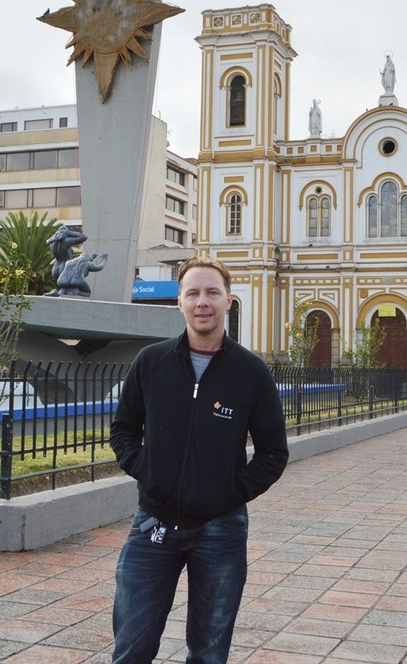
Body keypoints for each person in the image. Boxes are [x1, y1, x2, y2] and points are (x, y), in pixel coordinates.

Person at [109, 256, 289, 664]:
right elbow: (123, 429)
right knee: (131, 648)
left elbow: (273, 452)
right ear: (180, 302)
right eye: (193, 293)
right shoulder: (151, 363)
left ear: (228, 300)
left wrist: (228, 492)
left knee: (209, 652)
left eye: (212, 293)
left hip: (220, 531)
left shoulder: (251, 372)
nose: (202, 302)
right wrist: (147, 471)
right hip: (152, 525)